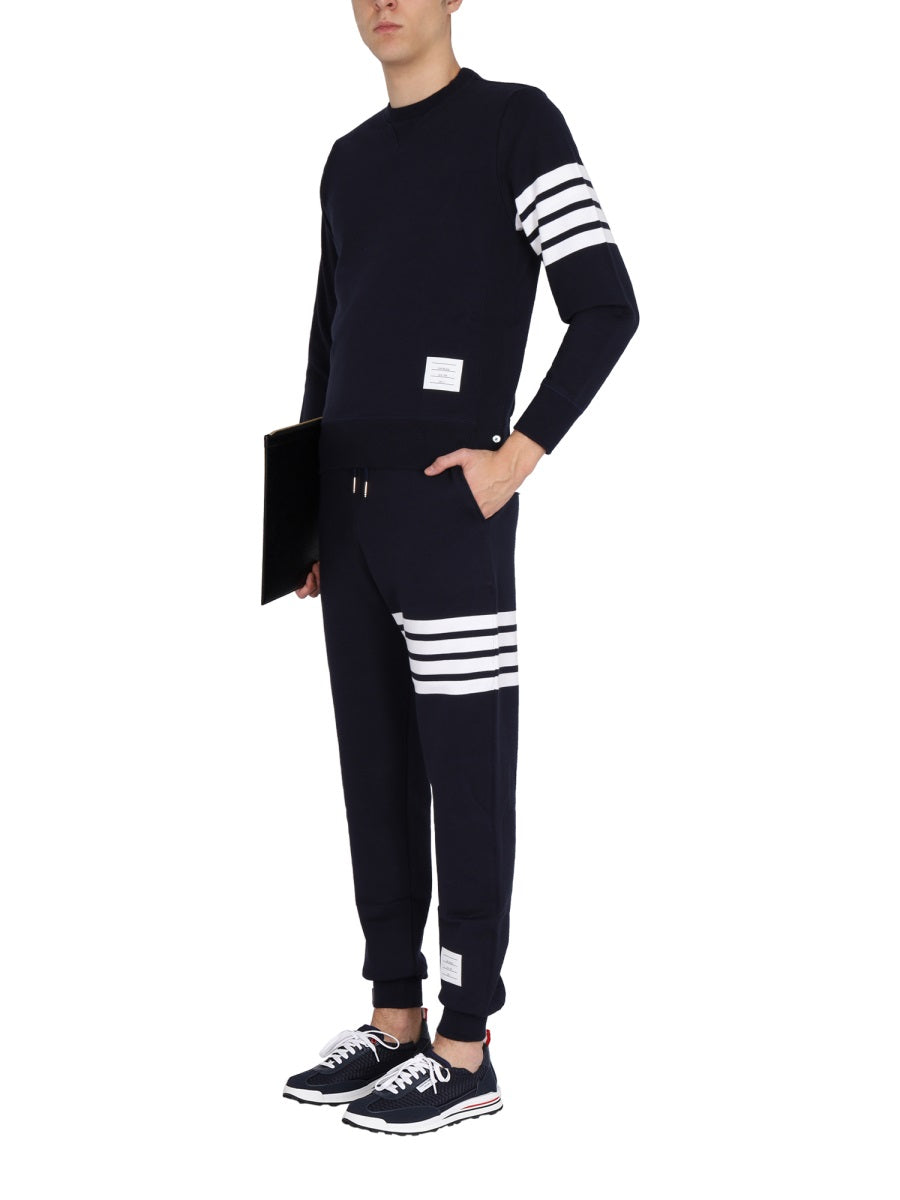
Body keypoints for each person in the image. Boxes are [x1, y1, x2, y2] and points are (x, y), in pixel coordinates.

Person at [283, 0, 639, 1136]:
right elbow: (330, 339)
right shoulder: (346, 161)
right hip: (346, 520)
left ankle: (465, 1042)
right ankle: (393, 1015)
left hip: (451, 508)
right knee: (375, 770)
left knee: (465, 774)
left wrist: (516, 457)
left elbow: (607, 305)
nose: (384, 1)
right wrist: (301, 522)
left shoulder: (516, 125)